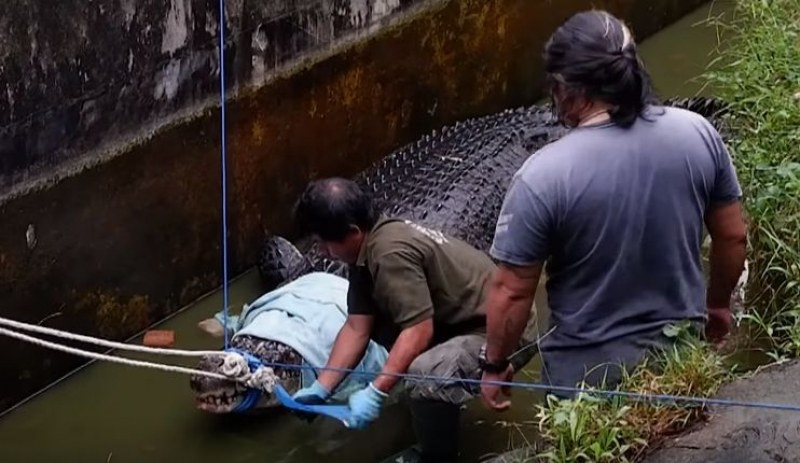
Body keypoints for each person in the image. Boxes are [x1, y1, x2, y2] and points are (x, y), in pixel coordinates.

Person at [478, 10, 747, 411]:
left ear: (567, 88)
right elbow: (733, 236)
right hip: (682, 360)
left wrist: (495, 363)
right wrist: (718, 305)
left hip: (585, 388)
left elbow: (513, 292)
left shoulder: (542, 175)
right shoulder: (697, 132)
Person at [288, 177, 535, 462]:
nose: (322, 252)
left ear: (353, 232)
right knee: (389, 335)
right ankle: (433, 406)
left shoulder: (388, 252)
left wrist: (376, 392)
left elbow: (418, 331)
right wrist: (323, 387)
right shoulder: (365, 250)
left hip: (503, 332)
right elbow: (357, 326)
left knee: (424, 374)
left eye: (323, 243)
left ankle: (437, 455)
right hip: (462, 322)